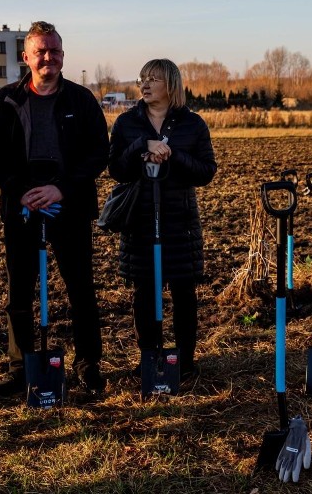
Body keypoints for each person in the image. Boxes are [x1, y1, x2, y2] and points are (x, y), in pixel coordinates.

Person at [0, 21, 109, 396]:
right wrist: (19, 191)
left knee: (81, 288)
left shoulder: (81, 100)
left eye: (54, 51)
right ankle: (20, 366)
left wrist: (61, 189)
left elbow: (98, 151)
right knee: (18, 291)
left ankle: (88, 364)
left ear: (63, 55)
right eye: (41, 51)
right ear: (26, 57)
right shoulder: (5, 101)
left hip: (69, 204)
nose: (48, 57)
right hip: (20, 207)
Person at [108, 59, 217, 381]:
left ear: (170, 84)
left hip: (179, 220)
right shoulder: (127, 123)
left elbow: (206, 172)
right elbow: (116, 169)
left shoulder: (192, 124)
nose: (144, 84)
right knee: (145, 292)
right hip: (139, 219)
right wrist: (142, 146)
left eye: (153, 79)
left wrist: (174, 156)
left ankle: (184, 361)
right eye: (142, 78)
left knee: (184, 292)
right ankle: (150, 357)